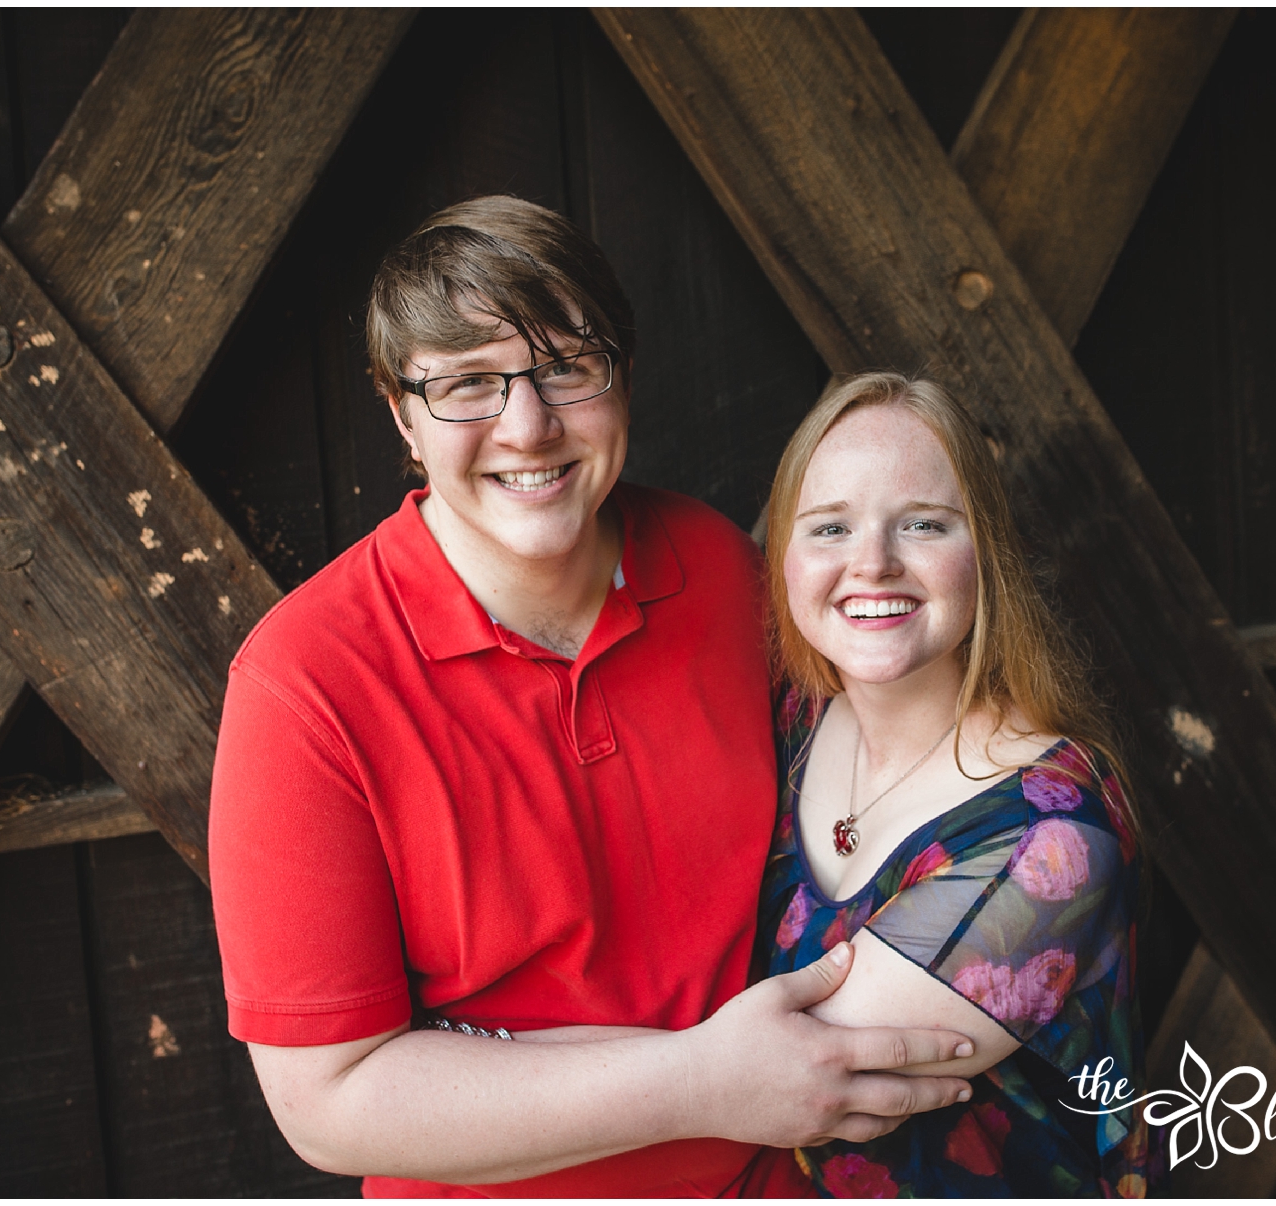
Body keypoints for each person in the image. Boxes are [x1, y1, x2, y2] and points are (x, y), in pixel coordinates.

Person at [206, 198, 976, 1197]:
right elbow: (329, 1102)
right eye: (471, 384)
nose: (527, 428)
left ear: (621, 377)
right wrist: (700, 1085)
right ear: (401, 415)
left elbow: (897, 775)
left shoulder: (725, 571)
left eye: (566, 368)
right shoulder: (306, 685)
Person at [755, 372, 1156, 1197]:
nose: (872, 564)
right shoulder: (788, 718)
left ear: (987, 554)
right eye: (829, 526)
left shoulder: (1055, 830)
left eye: (924, 525)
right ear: (786, 562)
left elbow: (800, 1081)